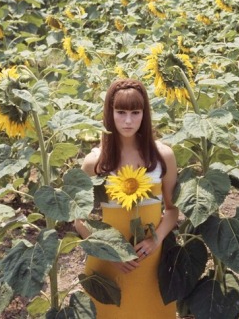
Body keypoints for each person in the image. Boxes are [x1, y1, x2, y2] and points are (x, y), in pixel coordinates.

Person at [75, 78, 178, 318]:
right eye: (120, 112)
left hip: (150, 263)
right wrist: (110, 253)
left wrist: (156, 240)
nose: (128, 120)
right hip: (107, 268)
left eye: (135, 112)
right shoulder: (95, 163)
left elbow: (172, 210)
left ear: (145, 114)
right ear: (110, 114)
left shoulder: (163, 156)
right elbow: (79, 220)